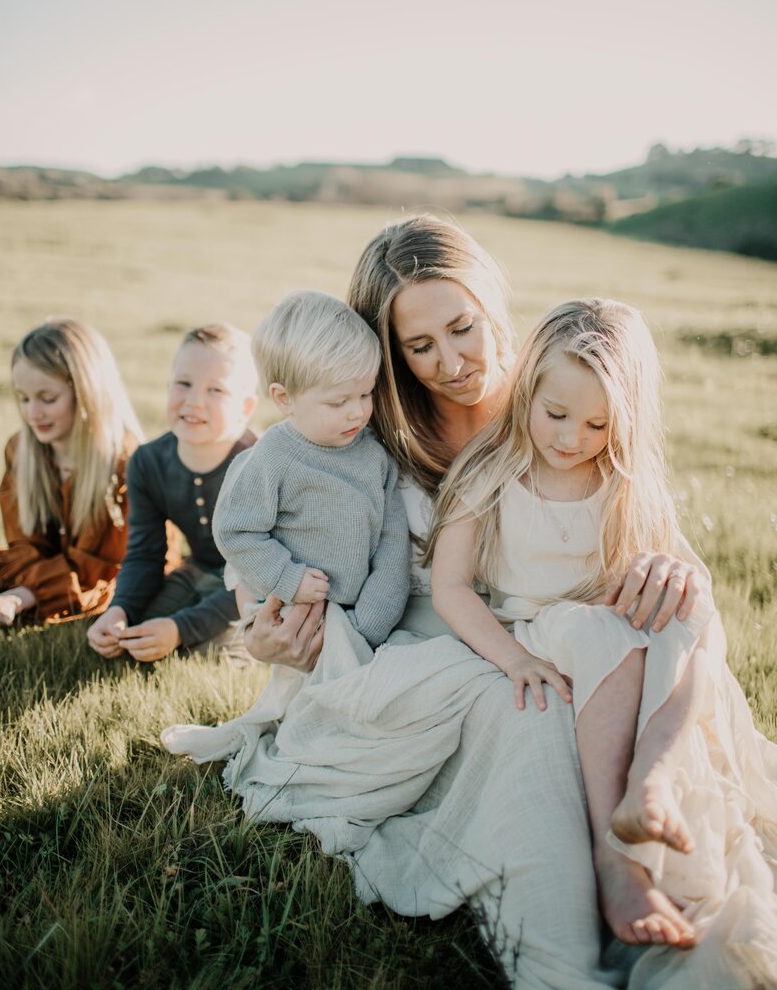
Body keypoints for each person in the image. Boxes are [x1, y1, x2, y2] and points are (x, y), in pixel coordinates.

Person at [165, 217, 766, 990]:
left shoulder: (562, 392)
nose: (451, 362)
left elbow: (649, 522)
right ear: (390, 355)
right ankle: (563, 950)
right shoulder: (360, 434)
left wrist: (672, 574)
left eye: (462, 327)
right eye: (420, 347)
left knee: (666, 649)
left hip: (576, 621)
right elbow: (280, 564)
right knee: (530, 713)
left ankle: (644, 849)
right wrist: (274, 636)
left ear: (490, 304)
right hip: (433, 645)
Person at [428, 297, 777, 955]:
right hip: (541, 629)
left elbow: (679, 574)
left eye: (597, 424)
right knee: (599, 636)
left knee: (692, 620)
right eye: (556, 415)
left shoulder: (622, 483)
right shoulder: (490, 471)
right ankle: (613, 853)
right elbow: (450, 587)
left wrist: (676, 590)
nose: (571, 439)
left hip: (608, 616)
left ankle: (652, 778)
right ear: (528, 388)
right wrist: (513, 660)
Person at [215, 291, 410, 646]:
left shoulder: (374, 456)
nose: (357, 412)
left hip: (361, 620)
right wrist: (287, 578)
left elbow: (392, 541)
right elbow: (235, 531)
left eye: (366, 394)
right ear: (284, 399)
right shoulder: (273, 456)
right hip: (293, 612)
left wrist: (372, 621)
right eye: (338, 402)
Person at [86, 324, 258, 663]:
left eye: (216, 390)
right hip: (199, 570)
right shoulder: (147, 463)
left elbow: (257, 577)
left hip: (258, 586)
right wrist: (119, 611)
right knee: (133, 638)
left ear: (246, 407)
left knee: (212, 652)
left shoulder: (259, 465)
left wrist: (180, 628)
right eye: (183, 384)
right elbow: (144, 553)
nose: (194, 401)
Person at [0, 317, 140, 625]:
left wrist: (20, 594)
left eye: (47, 398)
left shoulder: (124, 463)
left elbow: (99, 570)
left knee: (109, 596)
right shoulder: (21, 449)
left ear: (86, 393)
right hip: (59, 571)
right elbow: (27, 546)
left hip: (113, 575)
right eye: (23, 398)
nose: (32, 413)